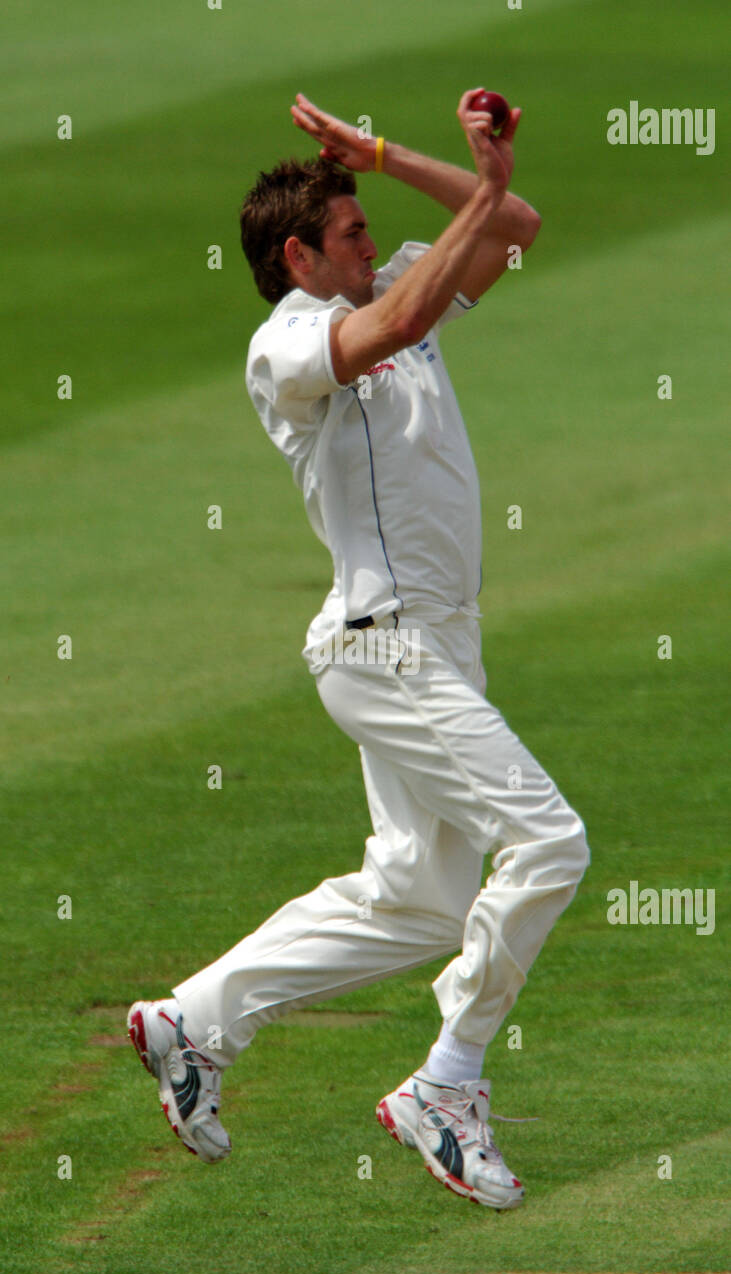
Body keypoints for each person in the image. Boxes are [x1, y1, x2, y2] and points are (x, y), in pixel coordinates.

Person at [128, 90, 589, 1209]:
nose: (372, 247)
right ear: (296, 255)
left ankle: (194, 1019)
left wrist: (386, 158)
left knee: (424, 897)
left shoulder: (388, 287)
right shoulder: (285, 342)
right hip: (383, 647)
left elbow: (517, 226)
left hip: (441, 644)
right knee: (549, 844)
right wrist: (473, 189)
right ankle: (446, 1081)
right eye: (350, 234)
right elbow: (381, 333)